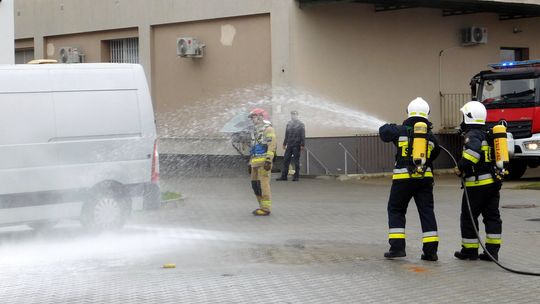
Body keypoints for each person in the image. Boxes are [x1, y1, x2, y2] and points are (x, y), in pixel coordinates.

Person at [379, 97, 440, 261]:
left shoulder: (399, 130)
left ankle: (397, 248)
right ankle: (431, 252)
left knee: (396, 210)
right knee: (427, 212)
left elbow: (383, 132)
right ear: (427, 114)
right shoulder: (431, 137)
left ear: (408, 112)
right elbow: (434, 155)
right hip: (424, 179)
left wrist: (392, 125)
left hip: (403, 179)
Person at [454, 101, 503, 261]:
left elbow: (472, 155)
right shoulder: (489, 133)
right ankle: (492, 252)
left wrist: (460, 167)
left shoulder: (473, 135)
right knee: (492, 217)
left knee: (468, 217)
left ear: (468, 117)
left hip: (477, 185)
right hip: (493, 184)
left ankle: (470, 251)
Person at [248, 108, 277, 216]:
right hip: (254, 163)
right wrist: (250, 163)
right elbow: (254, 148)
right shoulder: (255, 131)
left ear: (261, 117)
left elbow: (272, 145)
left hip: (264, 164)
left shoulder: (268, 130)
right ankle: (261, 206)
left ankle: (266, 208)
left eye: (253, 117)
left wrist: (268, 161)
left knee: (263, 185)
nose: (252, 120)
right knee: (255, 185)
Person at [277, 110, 305, 181]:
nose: (293, 116)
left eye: (295, 115)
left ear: (297, 115)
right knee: (286, 160)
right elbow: (286, 135)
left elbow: (303, 135)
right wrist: (284, 143)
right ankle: (284, 176)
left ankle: (296, 176)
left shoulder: (301, 124)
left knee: (296, 161)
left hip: (297, 145)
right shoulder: (289, 124)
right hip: (289, 144)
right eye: (292, 115)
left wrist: (302, 144)